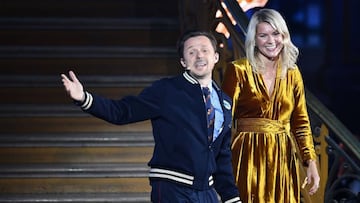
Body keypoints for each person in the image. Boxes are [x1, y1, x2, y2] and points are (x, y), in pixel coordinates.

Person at [61, 31, 241, 203]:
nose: (199, 56)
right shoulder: (167, 90)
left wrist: (232, 198)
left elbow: (221, 158)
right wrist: (84, 98)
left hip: (206, 193)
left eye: (204, 50)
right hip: (173, 188)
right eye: (192, 52)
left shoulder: (224, 102)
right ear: (183, 62)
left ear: (215, 57)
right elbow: (123, 111)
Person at [221, 9, 320, 203]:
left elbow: (300, 122)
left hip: (283, 156)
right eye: (263, 35)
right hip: (246, 155)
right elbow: (222, 121)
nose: (271, 41)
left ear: (284, 36)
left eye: (276, 34)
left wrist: (310, 161)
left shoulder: (292, 73)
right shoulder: (238, 70)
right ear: (254, 39)